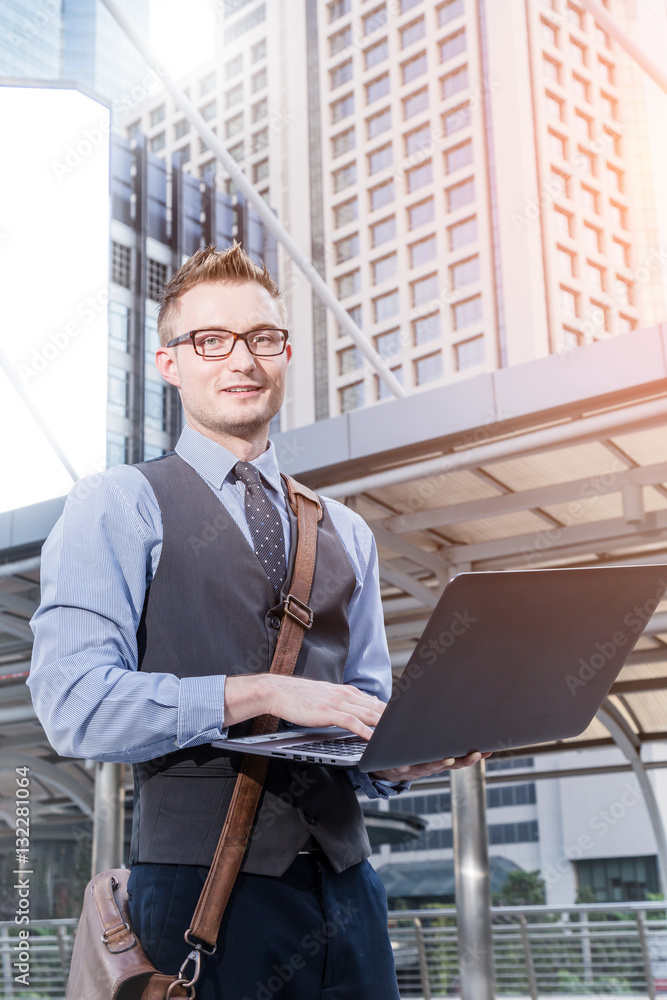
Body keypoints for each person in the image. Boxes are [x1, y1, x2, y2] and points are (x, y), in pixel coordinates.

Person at [28, 243, 486, 1000]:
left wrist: (401, 757)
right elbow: (74, 708)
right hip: (200, 896)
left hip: (351, 892)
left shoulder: (347, 529)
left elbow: (358, 718)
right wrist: (259, 691)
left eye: (262, 338)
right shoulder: (116, 502)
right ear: (169, 363)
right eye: (211, 340)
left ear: (285, 355)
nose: (240, 359)